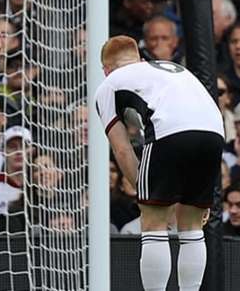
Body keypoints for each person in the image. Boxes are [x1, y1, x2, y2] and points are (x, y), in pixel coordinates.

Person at [94, 36, 224, 291]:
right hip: (214, 132)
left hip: (170, 132)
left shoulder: (109, 84)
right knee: (192, 225)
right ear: (140, 59)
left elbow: (122, 149)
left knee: (153, 223)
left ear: (106, 70)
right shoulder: (172, 68)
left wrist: (147, 194)